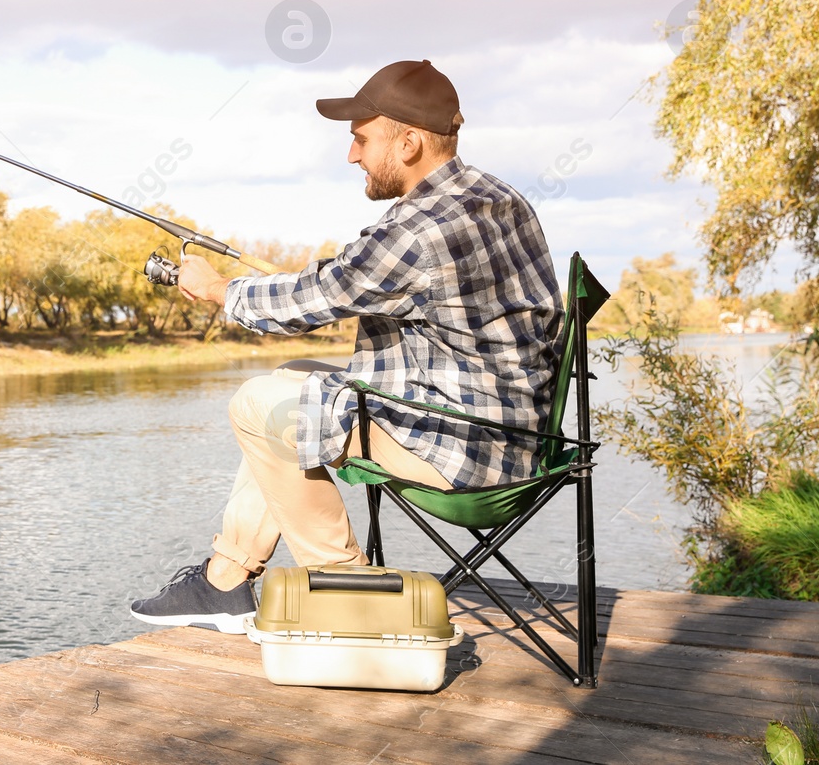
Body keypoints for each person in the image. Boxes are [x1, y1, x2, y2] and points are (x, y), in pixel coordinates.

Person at [129, 59, 562, 633]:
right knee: (290, 377)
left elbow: (318, 297)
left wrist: (216, 290)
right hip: (520, 438)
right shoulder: (496, 197)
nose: (352, 155)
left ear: (408, 142)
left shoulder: (420, 228)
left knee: (258, 403)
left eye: (361, 138)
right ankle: (225, 581)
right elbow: (354, 285)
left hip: (471, 456)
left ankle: (349, 593)